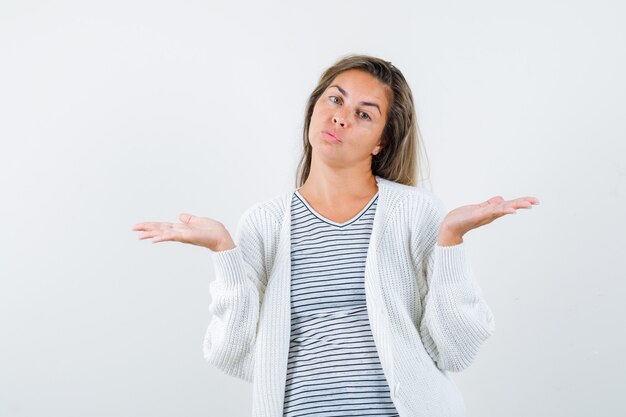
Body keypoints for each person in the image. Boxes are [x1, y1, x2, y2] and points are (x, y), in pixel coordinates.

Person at [132, 54, 540, 417]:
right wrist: (225, 252)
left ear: (382, 141)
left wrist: (450, 240)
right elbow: (232, 355)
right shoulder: (263, 223)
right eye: (335, 99)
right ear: (314, 107)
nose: (341, 117)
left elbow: (455, 350)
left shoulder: (416, 213)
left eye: (365, 114)